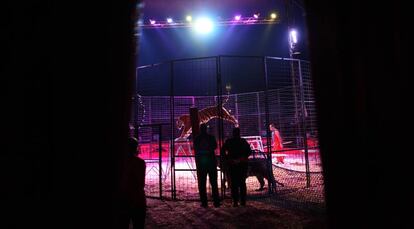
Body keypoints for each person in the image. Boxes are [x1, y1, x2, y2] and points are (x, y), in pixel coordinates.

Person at [119, 137, 146, 229]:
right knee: (138, 224)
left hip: (124, 198)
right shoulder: (140, 162)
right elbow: (141, 183)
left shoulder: (121, 162)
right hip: (138, 198)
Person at [221, 127, 252, 207]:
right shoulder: (243, 141)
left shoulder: (229, 141)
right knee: (242, 183)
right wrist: (243, 158)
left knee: (234, 183)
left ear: (233, 133)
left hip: (232, 164)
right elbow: (249, 152)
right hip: (242, 164)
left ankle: (235, 201)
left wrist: (228, 159)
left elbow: (222, 151)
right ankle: (243, 201)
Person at [193, 123, 220, 208]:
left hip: (202, 163)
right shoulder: (211, 137)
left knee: (202, 183)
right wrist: (208, 150)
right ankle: (216, 202)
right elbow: (215, 146)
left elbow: (196, 148)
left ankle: (204, 203)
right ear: (206, 129)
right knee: (214, 183)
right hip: (211, 162)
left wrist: (202, 151)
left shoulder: (197, 138)